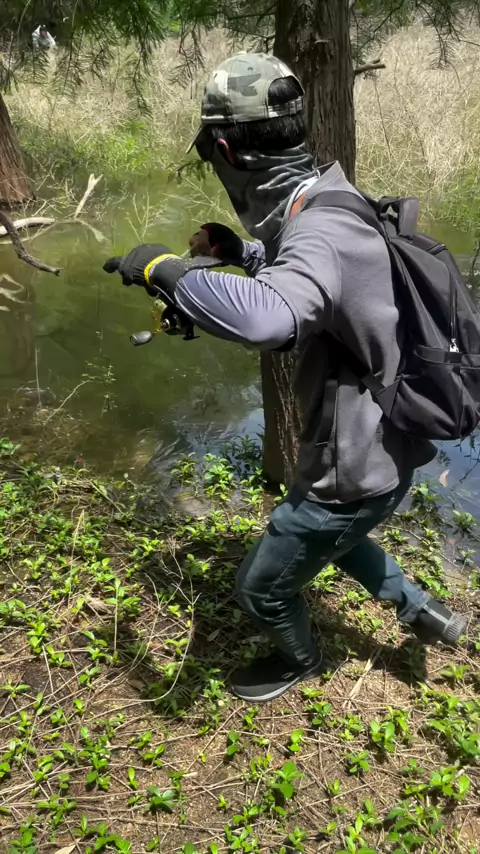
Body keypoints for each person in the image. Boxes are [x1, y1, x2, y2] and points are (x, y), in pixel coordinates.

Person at [103, 53, 467, 702]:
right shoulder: (330, 196)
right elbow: (314, 278)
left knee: (261, 587)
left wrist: (164, 270)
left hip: (352, 467)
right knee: (338, 540)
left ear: (224, 150)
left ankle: (300, 660)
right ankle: (424, 612)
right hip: (381, 444)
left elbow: (269, 317)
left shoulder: (320, 228)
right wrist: (239, 252)